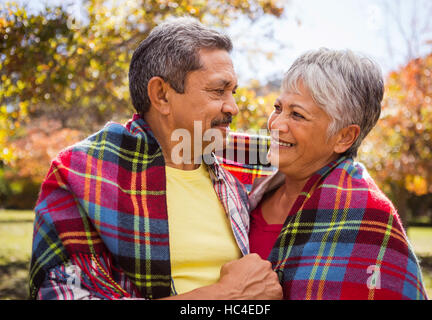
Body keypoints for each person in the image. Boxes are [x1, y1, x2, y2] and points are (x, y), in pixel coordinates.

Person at [29, 17, 282, 300]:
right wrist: (227, 294)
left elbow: (308, 151)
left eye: (232, 92)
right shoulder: (82, 174)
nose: (233, 107)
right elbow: (60, 294)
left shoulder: (236, 170)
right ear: (161, 95)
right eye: (217, 91)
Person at [247, 48, 428, 300]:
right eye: (278, 108)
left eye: (297, 115)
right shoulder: (245, 189)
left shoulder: (368, 216)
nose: (276, 125)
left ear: (344, 137)